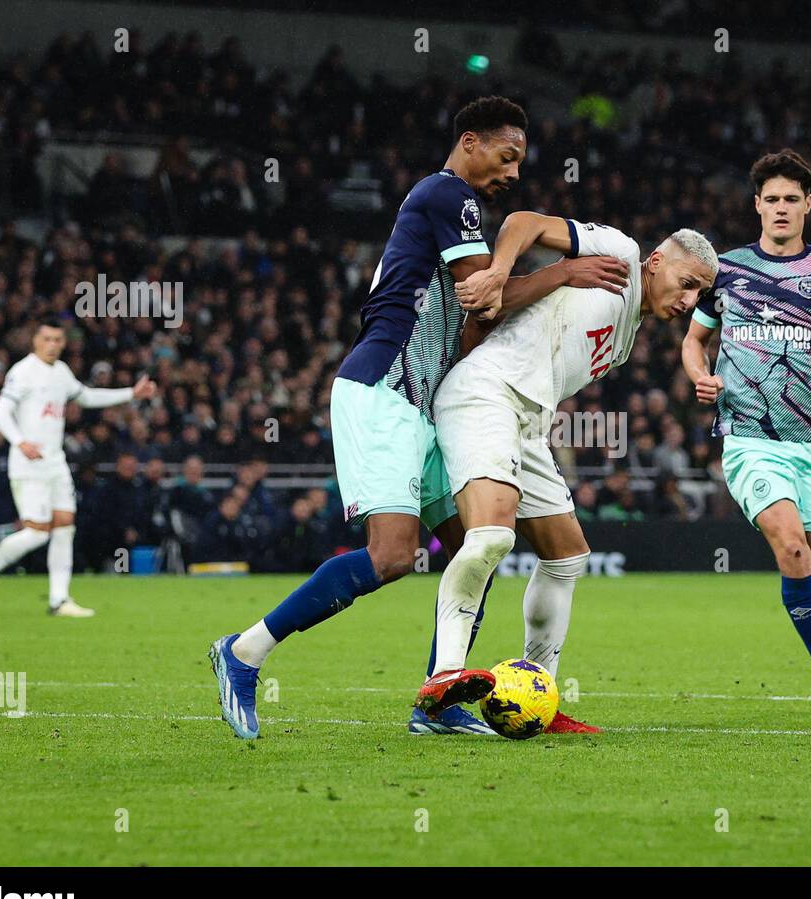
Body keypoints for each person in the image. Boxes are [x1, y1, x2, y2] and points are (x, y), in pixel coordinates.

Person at [208, 96, 629, 740]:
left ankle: (435, 702)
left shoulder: (455, 209)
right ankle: (244, 653)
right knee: (394, 556)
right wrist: (566, 272)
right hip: (380, 390)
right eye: (506, 155)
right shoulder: (445, 193)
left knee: (474, 545)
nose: (513, 173)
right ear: (469, 141)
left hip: (421, 403)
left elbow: (471, 314)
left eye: (520, 162)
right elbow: (481, 297)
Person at [430, 212, 716, 732]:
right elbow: (525, 221)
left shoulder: (629, 331)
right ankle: (445, 673)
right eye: (687, 283)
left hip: (528, 422)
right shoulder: (623, 254)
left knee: (566, 557)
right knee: (492, 538)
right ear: (657, 263)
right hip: (487, 394)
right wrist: (498, 272)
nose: (690, 300)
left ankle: (538, 694)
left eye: (700, 293)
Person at [682, 149, 811, 717]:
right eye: (770, 199)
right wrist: (700, 376)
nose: (780, 208)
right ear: (756, 205)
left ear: (807, 206)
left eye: (790, 199)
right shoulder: (725, 269)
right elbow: (694, 340)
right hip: (750, 437)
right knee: (790, 548)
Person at [0, 320, 158, 616]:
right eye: (47, 339)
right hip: (28, 463)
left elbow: (87, 396)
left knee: (65, 529)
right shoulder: (23, 371)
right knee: (37, 533)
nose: (53, 344)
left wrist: (130, 393)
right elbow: (0, 412)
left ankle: (59, 600)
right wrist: (20, 442)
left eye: (58, 339)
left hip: (55, 463)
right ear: (35, 341)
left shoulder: (61, 372)